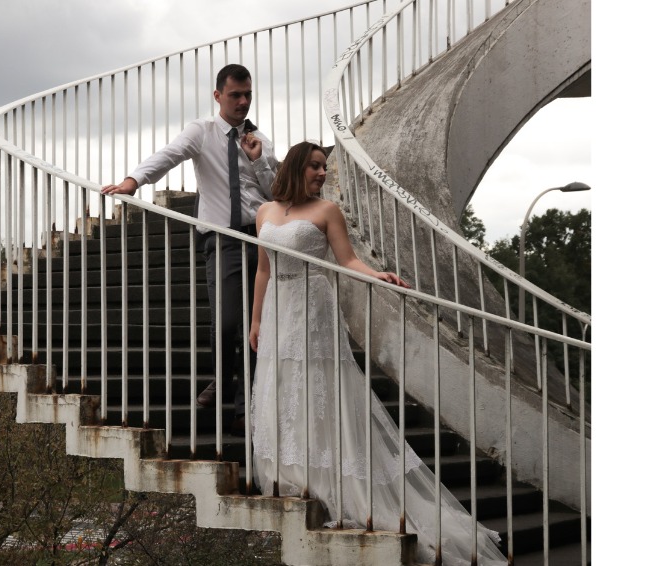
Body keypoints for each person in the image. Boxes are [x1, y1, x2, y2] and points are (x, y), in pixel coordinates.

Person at [248, 142, 507, 566]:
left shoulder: (328, 210)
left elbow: (347, 259)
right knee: (282, 385)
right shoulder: (264, 212)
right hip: (278, 307)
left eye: (324, 167)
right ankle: (290, 475)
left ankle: (329, 478)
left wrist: (377, 274)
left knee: (319, 388)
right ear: (296, 166)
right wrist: (256, 320)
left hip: (313, 307)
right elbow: (263, 269)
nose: (321, 173)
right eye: (314, 166)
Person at [101, 64, 278, 435]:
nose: (243, 102)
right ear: (218, 96)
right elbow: (170, 154)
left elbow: (275, 193)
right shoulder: (203, 131)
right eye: (235, 95)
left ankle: (244, 409)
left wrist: (258, 159)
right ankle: (221, 377)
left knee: (254, 328)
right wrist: (133, 181)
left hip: (261, 239)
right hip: (223, 238)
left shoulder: (260, 139)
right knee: (228, 323)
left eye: (248, 94)